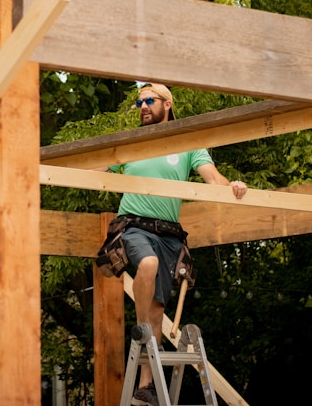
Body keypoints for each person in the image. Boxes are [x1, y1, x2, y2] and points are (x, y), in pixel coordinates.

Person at [100, 83, 247, 406]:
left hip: (169, 234)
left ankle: (146, 386)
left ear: (167, 105)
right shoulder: (130, 142)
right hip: (133, 225)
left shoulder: (189, 144)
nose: (142, 106)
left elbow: (214, 180)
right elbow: (97, 166)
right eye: (139, 101)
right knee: (147, 266)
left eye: (149, 100)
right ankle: (142, 335)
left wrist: (233, 185)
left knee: (157, 311)